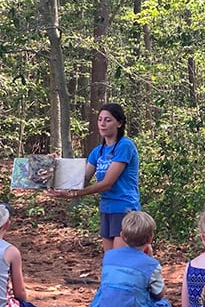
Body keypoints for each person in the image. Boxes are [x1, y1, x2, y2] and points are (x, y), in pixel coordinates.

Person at [49, 103, 140, 251]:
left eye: (108, 120)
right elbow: (81, 179)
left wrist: (74, 195)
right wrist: (53, 166)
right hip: (106, 209)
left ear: (119, 123)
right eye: (100, 119)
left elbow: (107, 183)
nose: (102, 124)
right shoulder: (98, 151)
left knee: (120, 261)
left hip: (124, 209)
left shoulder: (125, 146)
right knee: (110, 262)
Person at [86, 210, 185, 307]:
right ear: (150, 238)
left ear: (122, 235)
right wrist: (151, 259)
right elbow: (160, 293)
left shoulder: (109, 257)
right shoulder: (150, 265)